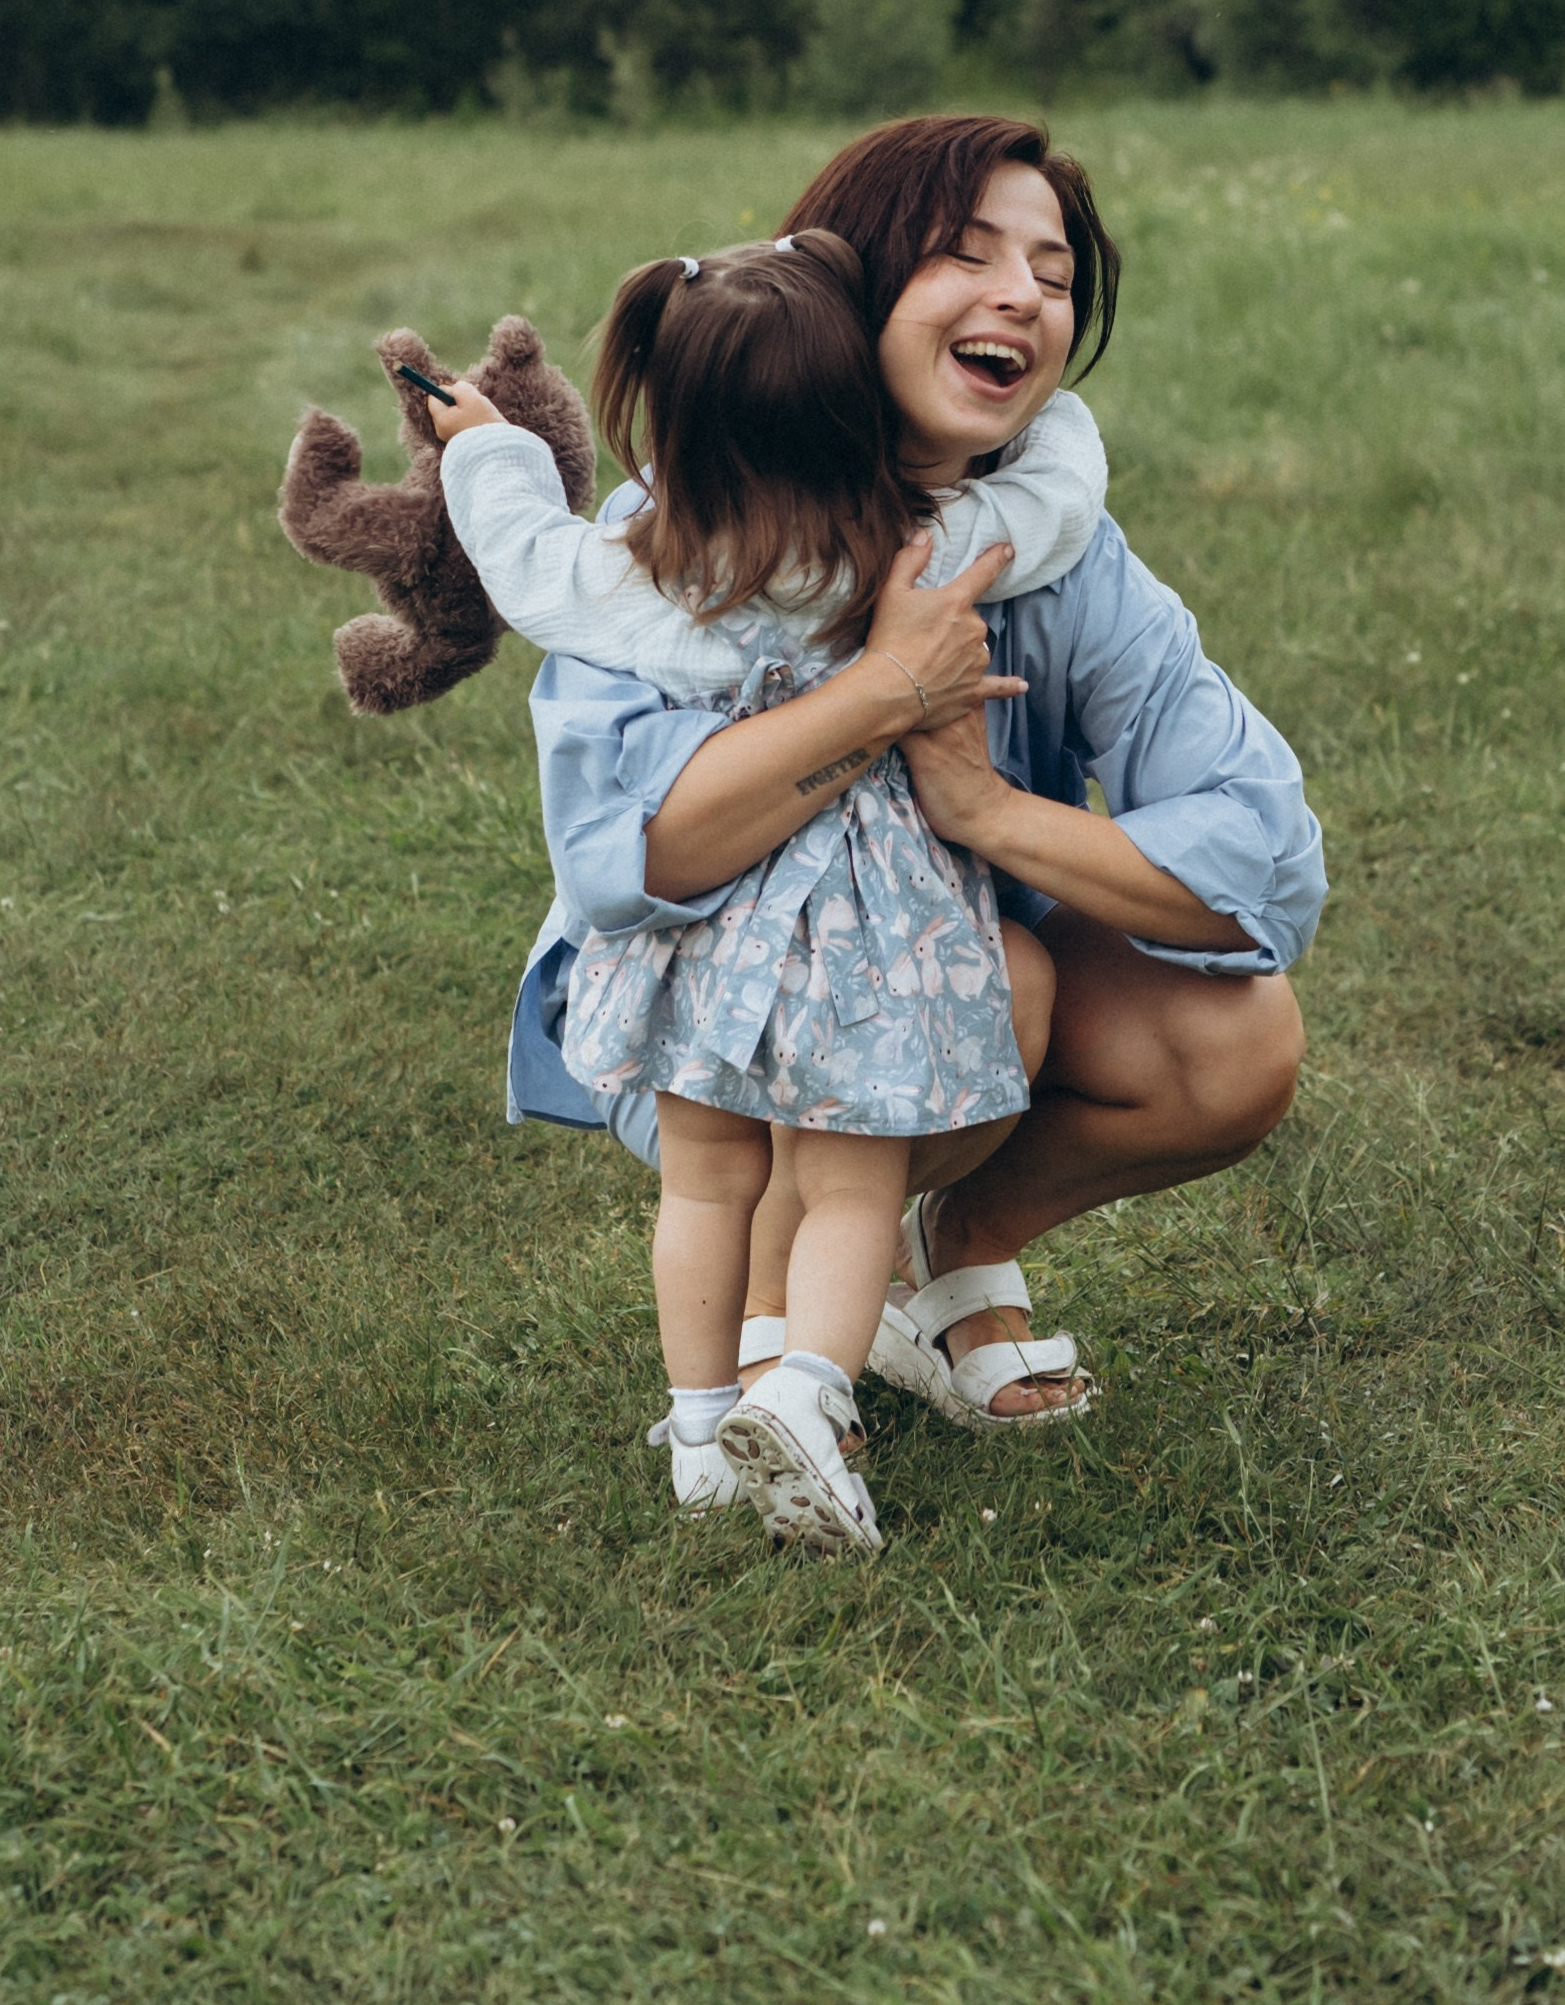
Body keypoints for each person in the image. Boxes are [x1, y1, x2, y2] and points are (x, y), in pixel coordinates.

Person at [506, 116, 1325, 1433]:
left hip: (943, 998)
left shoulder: (1061, 552)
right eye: (967, 255)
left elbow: (1265, 860)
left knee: (1233, 1036)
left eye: (1053, 278)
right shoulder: (685, 532)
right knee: (991, 977)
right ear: (848, 292)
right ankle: (768, 1371)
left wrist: (982, 808)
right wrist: (886, 692)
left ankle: (948, 1252)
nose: (1021, 296)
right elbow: (634, 855)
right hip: (707, 1035)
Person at [435, 226, 1107, 1552]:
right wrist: (1062, 418)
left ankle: (698, 1429)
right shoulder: (912, 551)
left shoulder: (635, 577)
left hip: (700, 946)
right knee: (851, 1190)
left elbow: (516, 549)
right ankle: (805, 1389)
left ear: (668, 420)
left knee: (705, 1188)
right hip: (861, 934)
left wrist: (482, 443)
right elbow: (1053, 509)